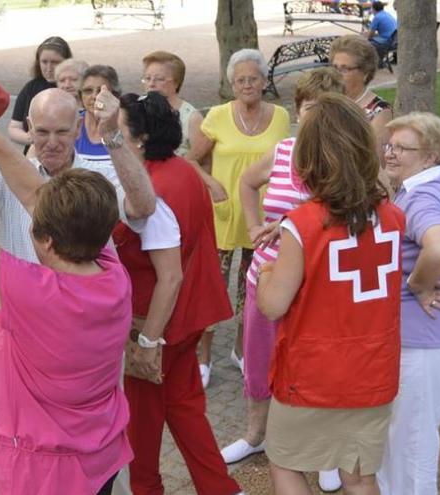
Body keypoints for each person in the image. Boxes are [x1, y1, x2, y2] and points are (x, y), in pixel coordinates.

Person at [0, 97, 145, 495]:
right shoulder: (112, 274)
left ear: (45, 241)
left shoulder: (35, 295)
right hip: (99, 457)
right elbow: (35, 195)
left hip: (43, 473)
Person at [256, 93, 404, 495]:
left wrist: (268, 270)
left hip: (312, 373)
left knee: (285, 464)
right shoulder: (392, 215)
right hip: (373, 368)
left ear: (307, 158)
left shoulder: (302, 225)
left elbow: (272, 305)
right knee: (359, 475)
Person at [221, 67, 346, 491]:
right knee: (259, 360)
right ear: (298, 111)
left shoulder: (342, 160)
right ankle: (257, 435)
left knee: (316, 367)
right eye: (310, 108)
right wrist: (255, 226)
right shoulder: (283, 150)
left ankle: (325, 451)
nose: (315, 118)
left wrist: (295, 221)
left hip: (318, 284)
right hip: (267, 276)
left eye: (326, 109)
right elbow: (245, 183)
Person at [113, 91, 243, 495]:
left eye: (119, 131)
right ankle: (220, 487)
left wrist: (149, 340)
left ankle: (147, 489)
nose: (113, 137)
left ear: (140, 139)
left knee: (144, 422)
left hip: (156, 321)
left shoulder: (151, 190)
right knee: (185, 407)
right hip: (191, 314)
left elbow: (167, 275)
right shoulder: (183, 170)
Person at [375, 113, 440, 495]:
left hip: (427, 333)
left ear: (430, 155)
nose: (391, 153)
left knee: (412, 441)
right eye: (390, 145)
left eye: (402, 148)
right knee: (403, 434)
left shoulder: (423, 194)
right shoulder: (426, 185)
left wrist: (418, 285)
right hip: (429, 332)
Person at [188, 48, 291, 388]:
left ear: (264, 81)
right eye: (240, 80)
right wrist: (210, 181)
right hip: (223, 214)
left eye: (253, 79)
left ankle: (242, 350)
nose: (247, 85)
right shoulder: (216, 115)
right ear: (232, 84)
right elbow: (189, 160)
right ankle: (204, 357)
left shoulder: (280, 117)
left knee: (254, 288)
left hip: (264, 218)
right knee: (213, 287)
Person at [0, 88, 156, 263]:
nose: (52, 143)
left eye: (62, 132)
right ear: (30, 127)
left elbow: (142, 207)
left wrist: (112, 134)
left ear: (78, 128)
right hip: (21, 299)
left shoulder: (100, 177)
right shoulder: (4, 176)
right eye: (42, 132)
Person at [330, 35, 393, 157]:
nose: (335, 75)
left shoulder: (380, 111)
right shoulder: (328, 101)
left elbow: (376, 161)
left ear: (365, 73)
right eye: (334, 68)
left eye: (344, 69)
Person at [7, 36, 73, 153]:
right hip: (34, 155)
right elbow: (14, 127)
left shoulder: (74, 89)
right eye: (44, 62)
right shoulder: (31, 88)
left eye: (55, 62)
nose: (49, 68)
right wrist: (31, 138)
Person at [140, 50, 203, 156]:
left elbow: (205, 163)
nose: (151, 84)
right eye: (147, 78)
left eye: (159, 79)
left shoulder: (192, 119)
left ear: (176, 83)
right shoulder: (135, 109)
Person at [74, 65, 122, 166]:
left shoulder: (125, 126)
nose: (95, 96)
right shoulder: (72, 124)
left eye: (101, 91)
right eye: (88, 91)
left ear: (115, 95)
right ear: (80, 95)